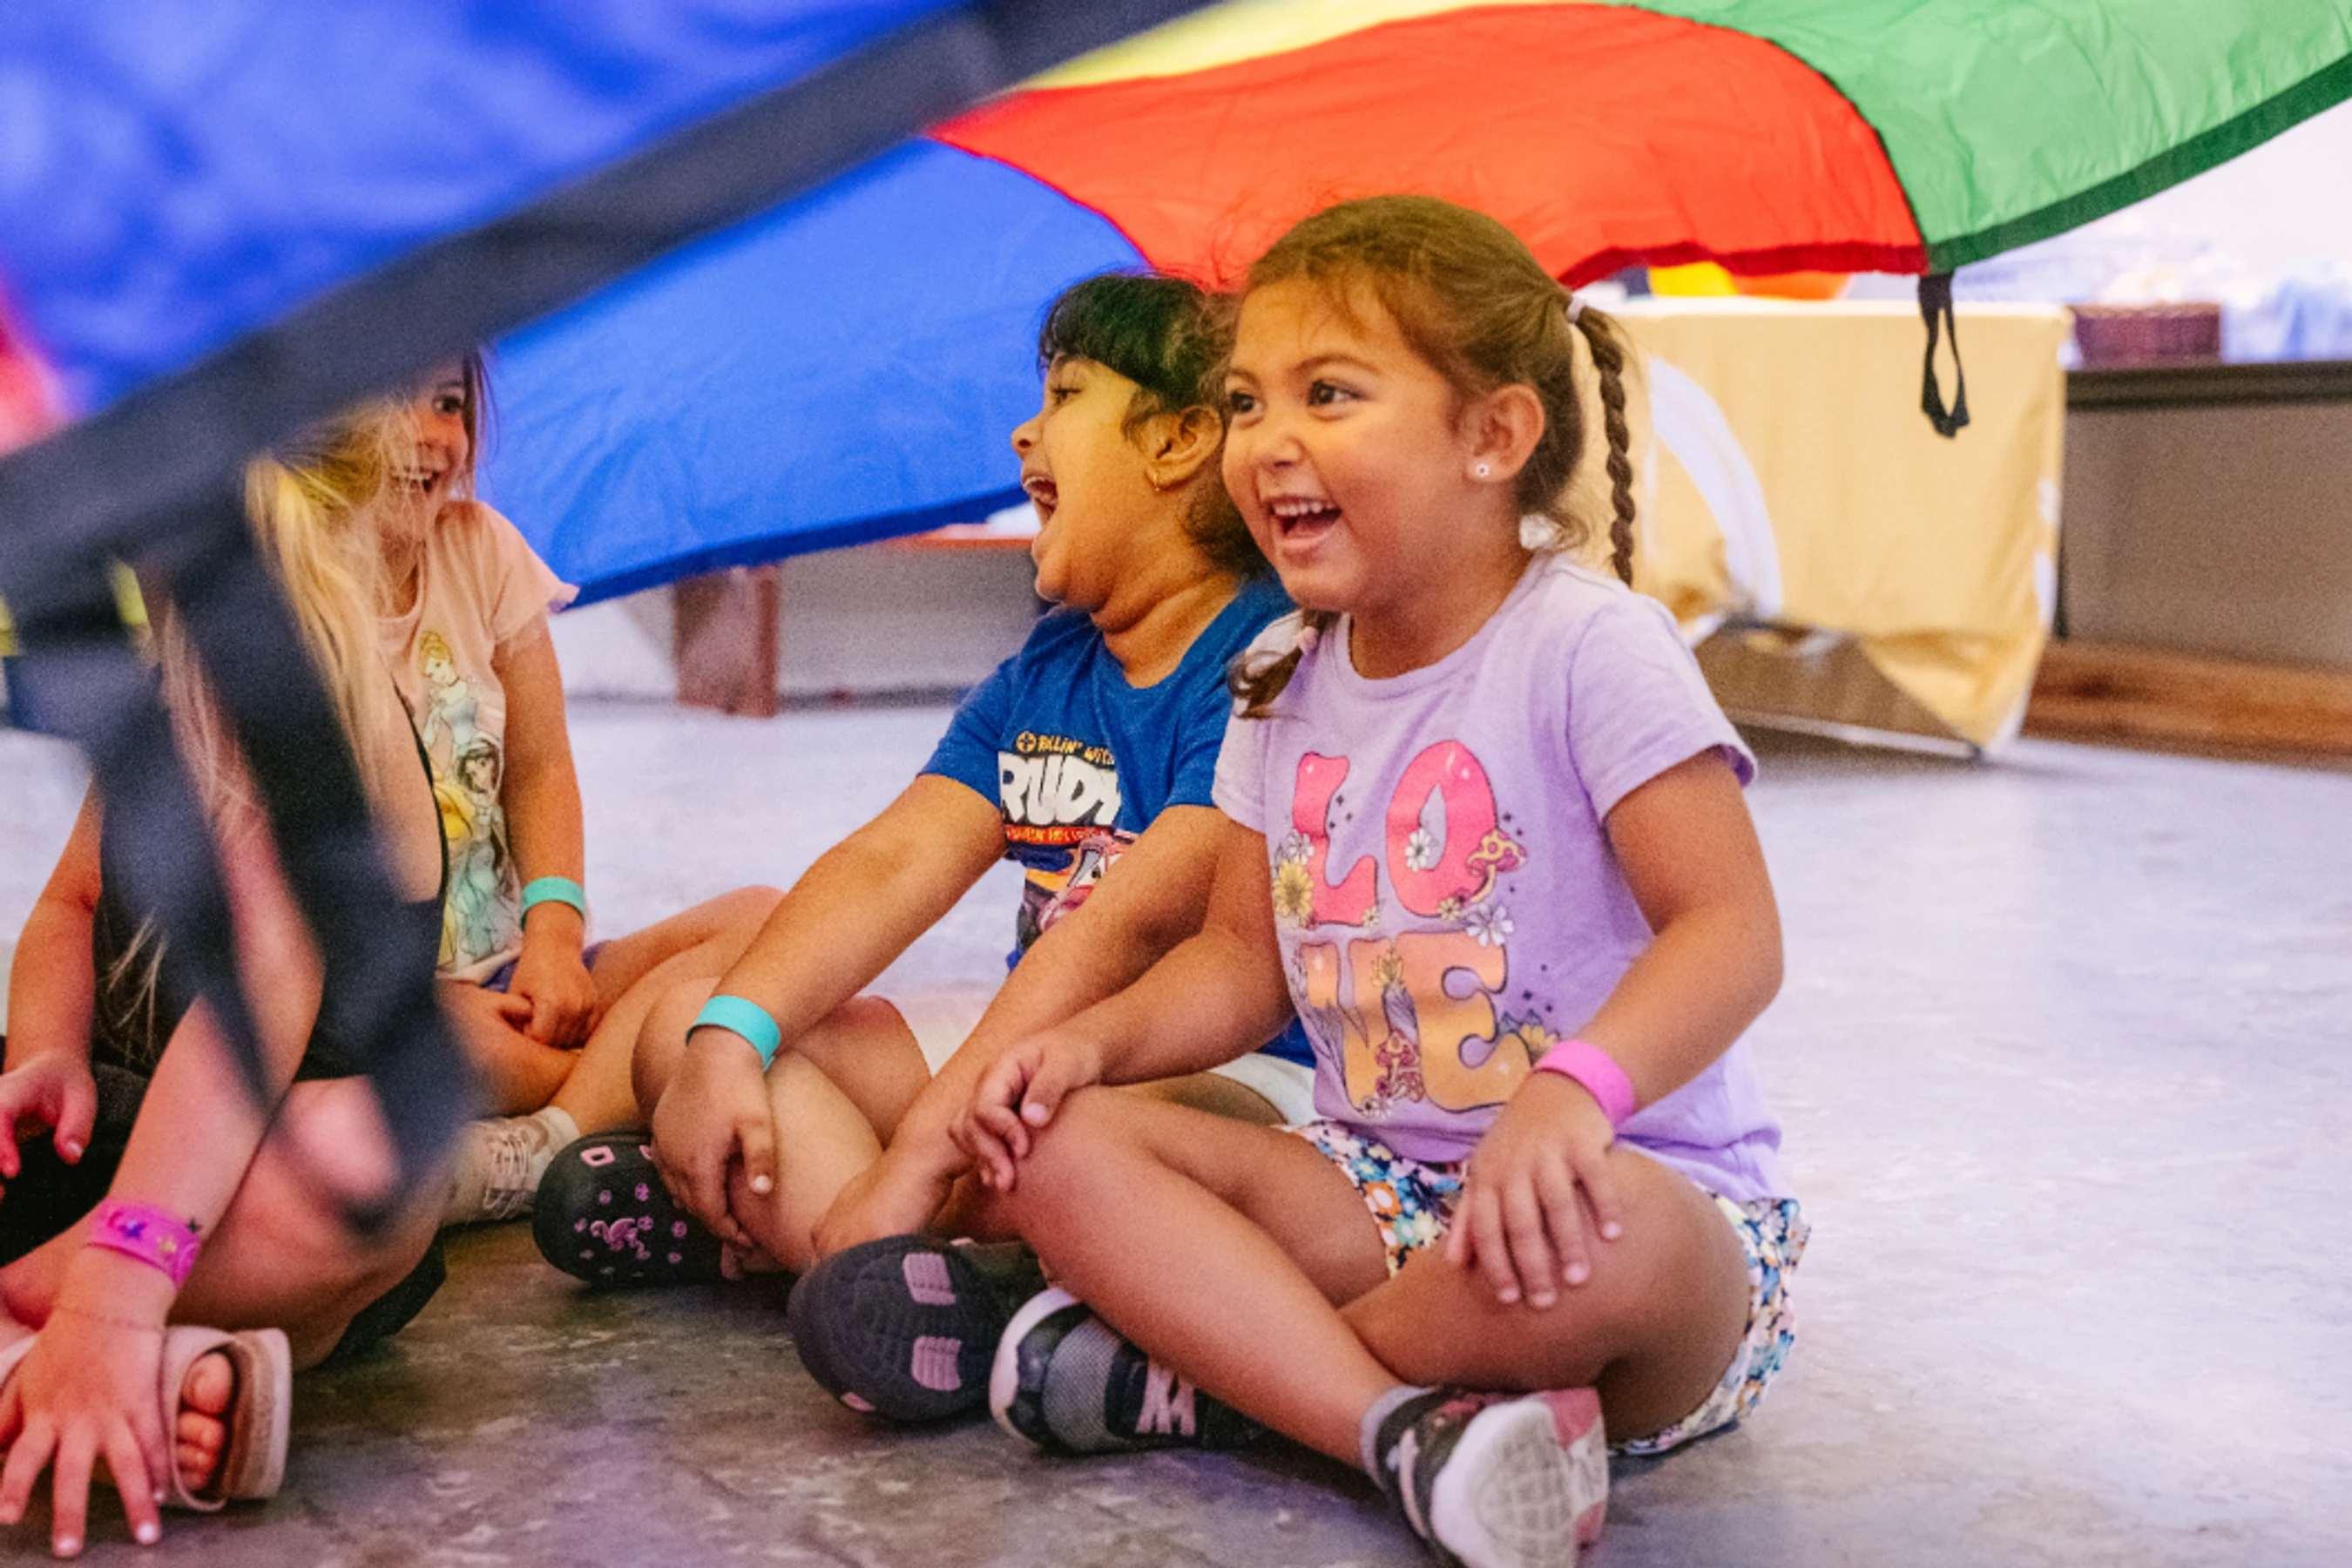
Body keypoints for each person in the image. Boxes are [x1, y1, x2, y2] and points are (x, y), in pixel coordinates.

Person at [801, 198, 1807, 1568]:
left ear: (1494, 438)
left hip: (1623, 1184)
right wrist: (1082, 1043)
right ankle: (1390, 1426)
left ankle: (1200, 1371)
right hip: (1372, 1189)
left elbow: (1734, 934)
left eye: (1329, 394)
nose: (1268, 442)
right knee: (1056, 1142)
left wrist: (1578, 1092)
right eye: (1245, 402)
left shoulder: (1590, 646)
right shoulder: (1279, 680)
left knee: (1610, 1240)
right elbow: (1236, 961)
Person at [535, 274, 1316, 1298]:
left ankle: (821, 1235)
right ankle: (895, 1269)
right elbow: (891, 862)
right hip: (1023, 1052)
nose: (1021, 436)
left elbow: (1119, 931)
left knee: (1043, 1157)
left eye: (1066, 397)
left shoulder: (1263, 654)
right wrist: (729, 1041)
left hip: (1238, 1078)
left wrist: (926, 1147)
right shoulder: (1048, 670)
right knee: (688, 1023)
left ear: (1176, 441)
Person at [0, 404, 459, 1558]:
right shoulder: (171, 691)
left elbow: (263, 987)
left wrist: (114, 1293)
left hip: (242, 1199)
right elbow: (70, 907)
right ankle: (173, 1365)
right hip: (113, 1149)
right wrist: (44, 1053)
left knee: (376, 1157)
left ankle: (62, 1335)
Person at [382, 356, 778, 1225]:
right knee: (436, 1051)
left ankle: (545, 1142)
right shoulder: (277, 603)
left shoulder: (483, 548)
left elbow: (539, 766)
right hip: (395, 1008)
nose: (426, 433)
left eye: (448, 404)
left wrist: (554, 936)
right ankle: (637, 1077)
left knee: (770, 921)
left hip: (526, 982)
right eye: (387, 394)